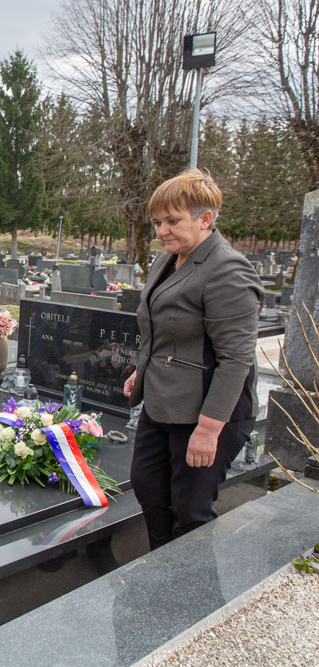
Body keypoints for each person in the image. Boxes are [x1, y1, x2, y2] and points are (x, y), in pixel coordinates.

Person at [122, 169, 262, 550]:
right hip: (163, 402)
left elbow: (236, 358)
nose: (162, 231)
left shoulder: (227, 269)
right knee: (148, 487)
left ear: (205, 219)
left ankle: (192, 583)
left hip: (207, 412)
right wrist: (142, 371)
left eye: (172, 220)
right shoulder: (169, 260)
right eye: (157, 222)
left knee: (190, 511)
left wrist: (208, 430)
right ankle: (161, 566)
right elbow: (164, 330)